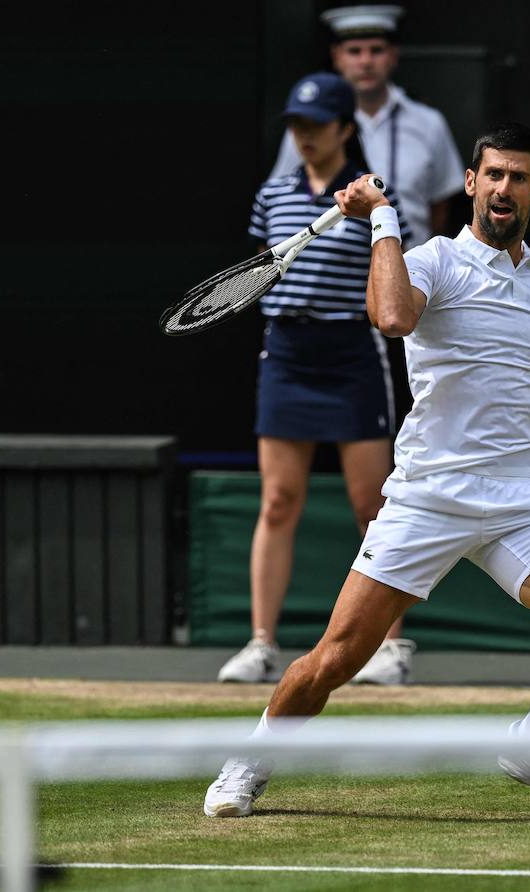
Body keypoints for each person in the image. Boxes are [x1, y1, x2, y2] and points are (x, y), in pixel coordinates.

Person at [205, 122, 530, 820]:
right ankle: (251, 758)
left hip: (526, 504)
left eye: (518, 177)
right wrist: (381, 220)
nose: (503, 188)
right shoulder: (430, 260)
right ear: (471, 183)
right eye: (492, 175)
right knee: (335, 659)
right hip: (430, 498)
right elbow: (393, 316)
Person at [215, 72, 418, 687]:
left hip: (351, 355)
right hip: (287, 356)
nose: (305, 137)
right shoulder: (272, 195)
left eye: (317, 126)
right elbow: (256, 272)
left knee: (372, 506)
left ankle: (392, 647)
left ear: (344, 131)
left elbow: (390, 275)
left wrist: (372, 210)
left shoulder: (376, 201)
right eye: (297, 126)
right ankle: (260, 644)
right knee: (277, 501)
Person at [268, 4, 463, 242]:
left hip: (410, 265)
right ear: (336, 56)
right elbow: (282, 197)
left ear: (393, 55)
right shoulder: (310, 125)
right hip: (333, 264)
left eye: (376, 50)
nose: (366, 61)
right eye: (354, 51)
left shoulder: (429, 122)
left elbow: (440, 205)